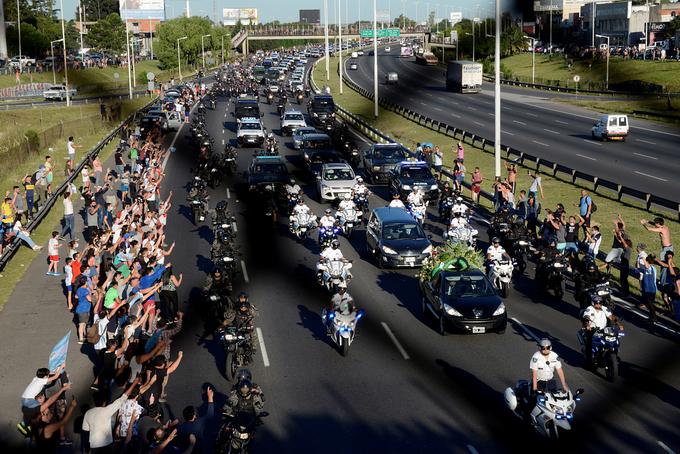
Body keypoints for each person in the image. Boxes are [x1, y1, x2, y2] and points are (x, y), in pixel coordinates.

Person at [82, 377, 140, 452]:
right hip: (107, 446)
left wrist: (87, 450)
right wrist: (134, 383)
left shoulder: (88, 413)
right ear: (104, 402)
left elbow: (86, 433)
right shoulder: (107, 410)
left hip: (93, 447)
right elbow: (123, 398)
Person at [581, 297, 624, 365]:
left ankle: (614, 354)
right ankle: (589, 358)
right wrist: (587, 325)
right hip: (592, 329)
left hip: (604, 329)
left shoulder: (604, 308)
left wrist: (619, 324)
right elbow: (586, 317)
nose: (598, 304)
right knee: (590, 341)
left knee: (613, 338)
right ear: (593, 303)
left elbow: (611, 316)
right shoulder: (589, 309)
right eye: (596, 303)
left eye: (600, 303)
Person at [175, 387, 215, 452]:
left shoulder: (181, 427)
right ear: (194, 416)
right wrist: (210, 397)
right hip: (199, 446)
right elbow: (210, 414)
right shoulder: (199, 422)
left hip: (186, 447)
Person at [639, 255, 658, 321]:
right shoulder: (653, 268)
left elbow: (647, 267)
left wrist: (643, 258)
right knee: (648, 303)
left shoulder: (650, 268)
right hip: (650, 288)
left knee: (649, 303)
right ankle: (652, 316)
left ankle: (654, 317)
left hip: (650, 289)